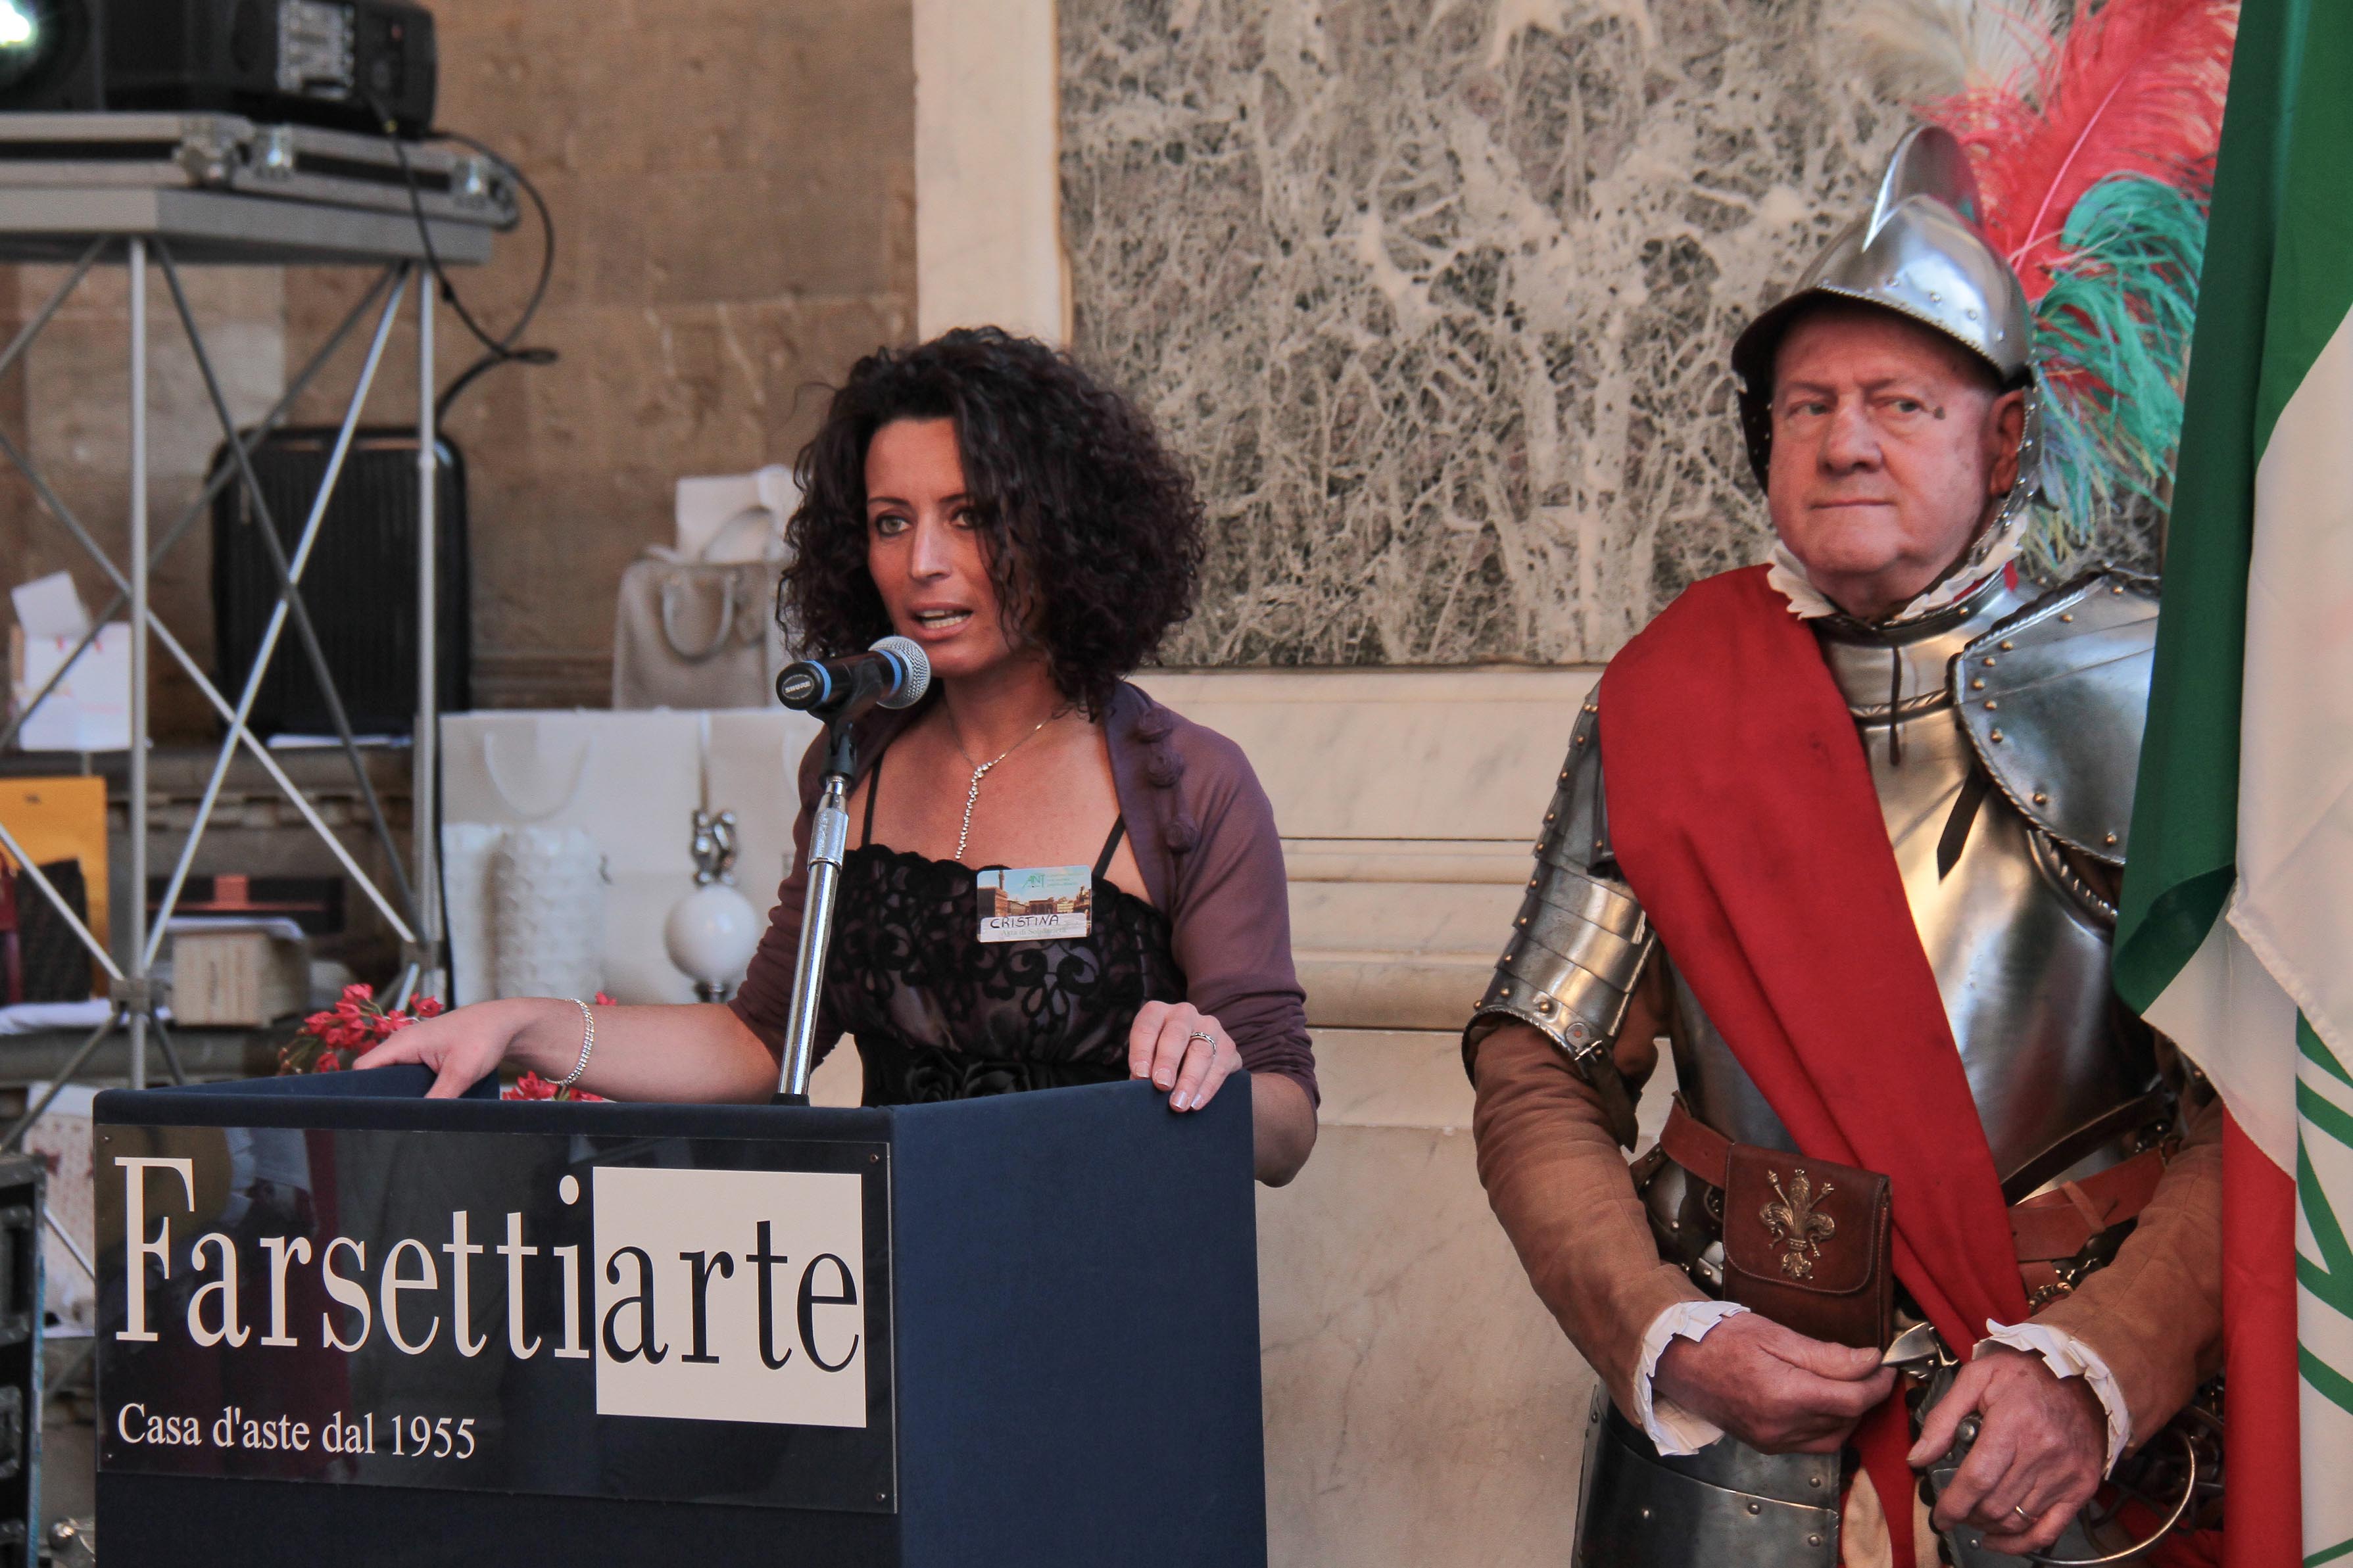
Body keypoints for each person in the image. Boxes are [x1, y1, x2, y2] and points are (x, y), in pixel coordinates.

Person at [1464, 128, 2221, 1566]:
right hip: (1719, 1456)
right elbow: (1536, 1065)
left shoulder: (2141, 688)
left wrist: (2103, 1356)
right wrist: (1658, 1328)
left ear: (2000, 437)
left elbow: (2246, 1107)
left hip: (2062, 1451)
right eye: (1806, 403)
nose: (1845, 438)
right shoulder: (1666, 696)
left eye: (1897, 400)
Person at [368, 327, 1319, 1187]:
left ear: (1066, 533)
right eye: (890, 522)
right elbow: (757, 1042)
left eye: (971, 515)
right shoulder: (851, 758)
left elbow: (1287, 1127)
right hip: (897, 1277)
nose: (922, 564)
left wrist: (1216, 1070)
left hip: (1095, 1284)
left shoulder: (1181, 782)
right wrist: (520, 1024)